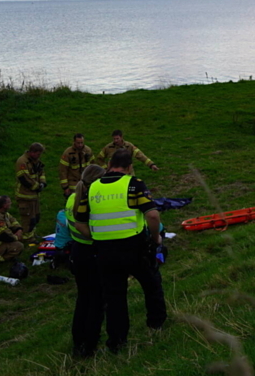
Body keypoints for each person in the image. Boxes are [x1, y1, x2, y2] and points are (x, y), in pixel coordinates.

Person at [75, 150, 166, 353]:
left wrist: (97, 237)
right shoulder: (134, 184)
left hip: (105, 252)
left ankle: (117, 341)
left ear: (108, 164)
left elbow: (80, 222)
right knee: (151, 285)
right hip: (135, 247)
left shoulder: (92, 188)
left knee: (115, 298)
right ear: (129, 166)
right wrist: (156, 238)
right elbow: (152, 215)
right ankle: (156, 324)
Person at [67, 164, 107, 358]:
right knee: (97, 301)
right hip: (93, 253)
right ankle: (90, 345)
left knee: (83, 298)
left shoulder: (71, 199)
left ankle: (78, 341)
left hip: (77, 252)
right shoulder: (94, 203)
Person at [15, 142, 47, 243]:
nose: (39, 156)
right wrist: (37, 187)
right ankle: (27, 238)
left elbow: (41, 172)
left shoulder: (35, 160)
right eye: (38, 154)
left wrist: (42, 182)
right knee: (28, 218)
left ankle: (32, 234)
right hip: (24, 195)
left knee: (35, 217)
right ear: (32, 152)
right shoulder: (22, 162)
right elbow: (24, 178)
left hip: (34, 196)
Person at [95, 130, 160, 172]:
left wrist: (151, 165)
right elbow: (99, 158)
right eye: (114, 139)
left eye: (117, 139)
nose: (115, 141)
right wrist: (106, 169)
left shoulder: (129, 146)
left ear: (121, 137)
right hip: (114, 174)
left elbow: (141, 156)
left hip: (128, 173)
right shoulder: (108, 147)